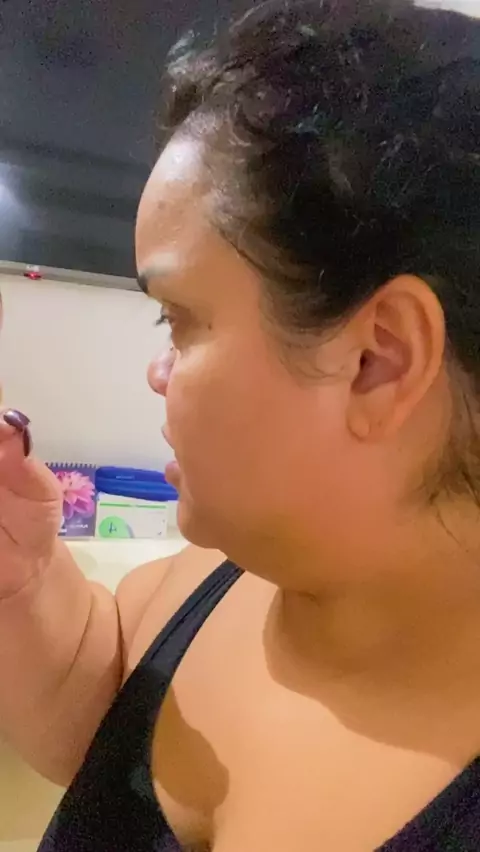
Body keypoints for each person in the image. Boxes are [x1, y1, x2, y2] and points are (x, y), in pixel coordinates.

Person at [2, 0, 480, 848]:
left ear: (378, 360)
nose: (158, 371)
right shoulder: (219, 572)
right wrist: (26, 580)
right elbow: (101, 710)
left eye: (178, 320)